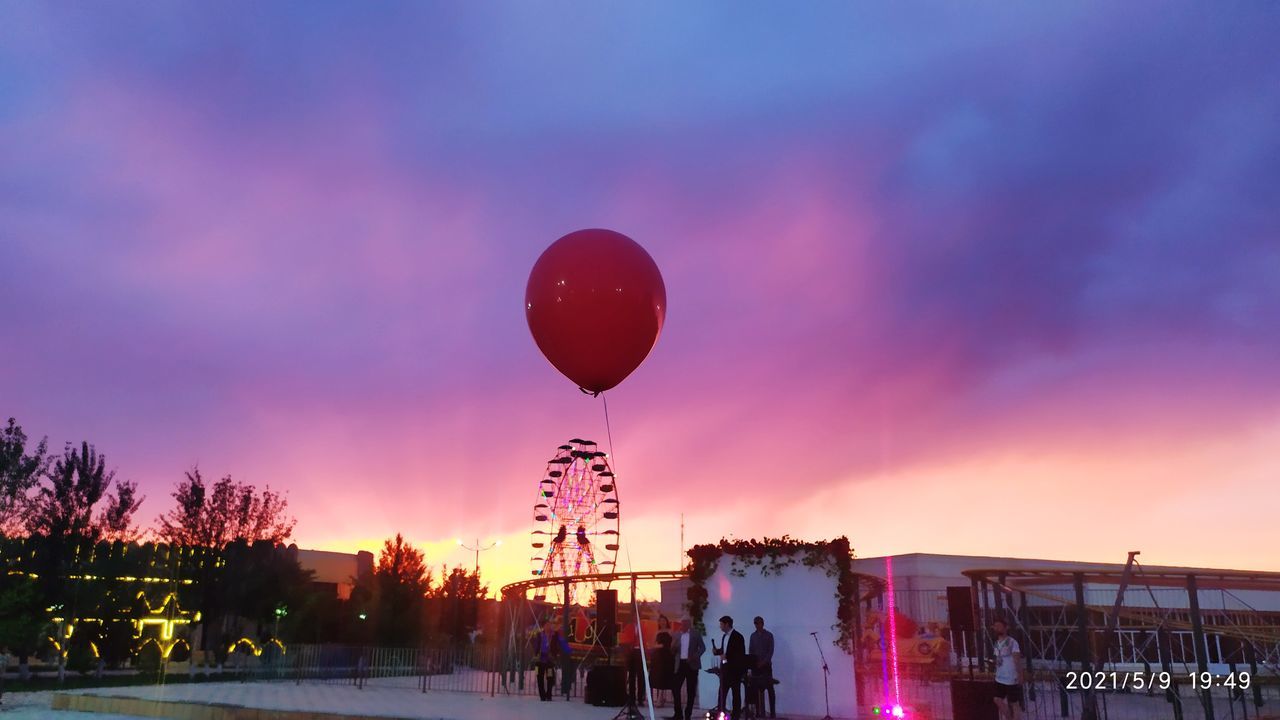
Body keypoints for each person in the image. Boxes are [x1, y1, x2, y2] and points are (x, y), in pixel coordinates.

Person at [671, 616, 706, 720]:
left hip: (692, 665)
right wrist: (673, 646)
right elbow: (672, 651)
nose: (683, 625)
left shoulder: (695, 634)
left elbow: (702, 647)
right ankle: (678, 714)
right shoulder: (677, 634)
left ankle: (688, 714)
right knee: (675, 688)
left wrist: (694, 657)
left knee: (691, 691)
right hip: (680, 665)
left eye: (686, 623)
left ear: (689, 624)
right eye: (682, 623)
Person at [712, 615, 746, 720]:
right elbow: (725, 650)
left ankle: (736, 716)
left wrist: (727, 657)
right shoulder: (724, 636)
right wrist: (717, 651)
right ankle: (720, 714)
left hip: (734, 671)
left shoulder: (738, 637)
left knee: (736, 695)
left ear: (727, 624)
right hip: (725, 670)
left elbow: (739, 654)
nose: (720, 626)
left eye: (721, 624)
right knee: (722, 694)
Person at [991, 618, 1025, 720]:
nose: (997, 628)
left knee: (1014, 702)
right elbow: (997, 658)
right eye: (995, 626)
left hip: (1011, 677)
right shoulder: (996, 643)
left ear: (1006, 628)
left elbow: (1017, 659)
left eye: (999, 626)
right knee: (997, 699)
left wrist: (1020, 675)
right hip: (1000, 676)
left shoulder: (1012, 642)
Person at [749, 616, 776, 718]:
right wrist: (753, 663)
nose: (757, 625)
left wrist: (764, 662)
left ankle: (772, 712)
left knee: (770, 688)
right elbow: (751, 650)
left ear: (762, 623)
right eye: (755, 623)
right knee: (755, 689)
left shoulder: (769, 635)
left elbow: (770, 651)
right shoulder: (753, 636)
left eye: (758, 623)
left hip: (766, 666)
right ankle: (758, 711)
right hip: (756, 666)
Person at [533, 623, 569, 701]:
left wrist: (568, 650)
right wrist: (535, 653)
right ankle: (542, 695)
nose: (548, 627)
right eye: (546, 625)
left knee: (550, 677)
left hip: (549, 660)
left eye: (549, 625)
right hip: (539, 660)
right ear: (544, 626)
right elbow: (535, 644)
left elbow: (562, 642)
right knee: (539, 677)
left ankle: (549, 694)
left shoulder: (554, 635)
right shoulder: (539, 635)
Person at [650, 617, 676, 708]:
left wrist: (670, 648)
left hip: (668, 656)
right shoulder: (657, 632)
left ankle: (662, 697)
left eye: (664, 621)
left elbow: (674, 642)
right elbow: (652, 644)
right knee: (658, 676)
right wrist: (659, 645)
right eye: (660, 621)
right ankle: (659, 698)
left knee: (666, 675)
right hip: (659, 656)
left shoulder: (670, 631)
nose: (662, 622)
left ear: (666, 621)